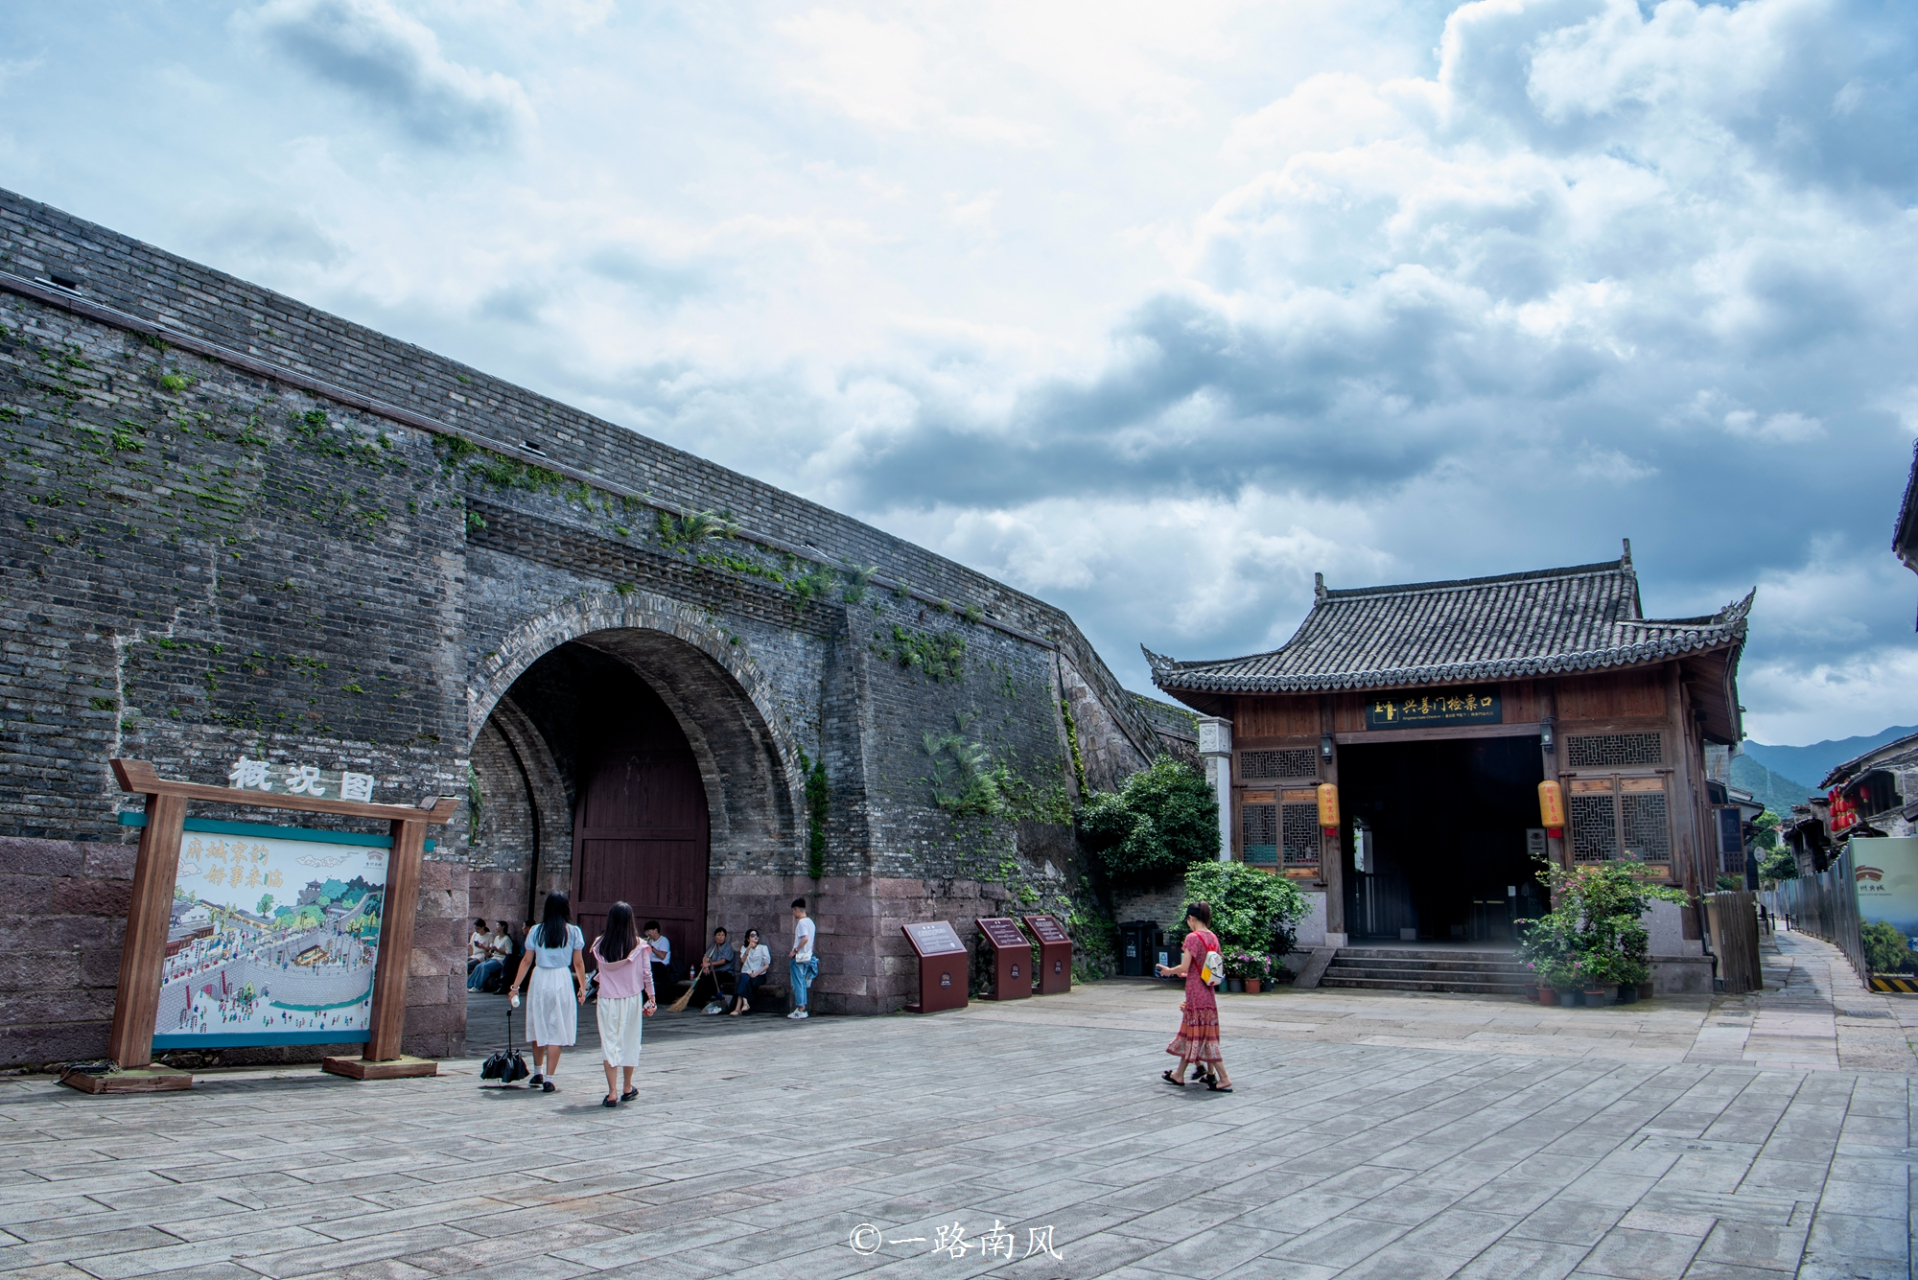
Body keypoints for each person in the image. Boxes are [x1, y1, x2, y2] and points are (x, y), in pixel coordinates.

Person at [508, 892, 587, 1093]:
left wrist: (515, 986)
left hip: (540, 977)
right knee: (557, 1026)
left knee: (538, 1022)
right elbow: (578, 963)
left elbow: (526, 960)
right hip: (561, 977)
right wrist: (583, 987)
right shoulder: (573, 931)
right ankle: (550, 1078)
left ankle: (537, 1071)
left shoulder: (536, 930)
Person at [1154, 902, 1232, 1091]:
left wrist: (1169, 971)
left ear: (1191, 918)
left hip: (1196, 993)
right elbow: (1212, 965)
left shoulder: (1192, 938)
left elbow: (1183, 965)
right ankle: (1179, 1074)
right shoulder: (1213, 937)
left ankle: (1224, 1078)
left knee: (1200, 1034)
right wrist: (1189, 973)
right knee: (1197, 1033)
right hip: (1208, 991)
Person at [590, 901, 655, 1108]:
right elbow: (647, 974)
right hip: (631, 998)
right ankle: (627, 1087)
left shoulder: (600, 944)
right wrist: (651, 998)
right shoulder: (639, 945)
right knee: (630, 1040)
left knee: (609, 1043)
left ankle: (611, 1092)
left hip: (607, 999)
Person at [691, 927, 737, 1014]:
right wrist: (705, 966)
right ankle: (703, 1001)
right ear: (715, 937)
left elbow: (723, 961)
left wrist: (709, 964)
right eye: (719, 935)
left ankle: (714, 998)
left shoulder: (727, 947)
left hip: (726, 973)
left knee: (716, 977)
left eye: (723, 935)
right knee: (703, 980)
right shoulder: (713, 947)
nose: (721, 937)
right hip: (714, 972)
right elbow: (705, 957)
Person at [788, 897, 817, 1020]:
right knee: (803, 982)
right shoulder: (811, 922)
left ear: (796, 910)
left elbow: (804, 938)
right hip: (808, 956)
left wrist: (794, 951)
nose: (793, 914)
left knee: (798, 982)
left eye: (793, 911)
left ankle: (801, 1008)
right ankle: (802, 1007)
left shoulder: (801, 923)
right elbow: (810, 941)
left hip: (799, 957)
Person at [730, 928, 770, 1015]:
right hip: (747, 974)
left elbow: (767, 965)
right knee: (744, 977)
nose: (755, 937)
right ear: (748, 939)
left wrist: (756, 974)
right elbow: (743, 961)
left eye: (756, 935)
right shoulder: (744, 948)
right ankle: (744, 1004)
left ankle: (738, 1008)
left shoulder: (763, 948)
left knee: (743, 980)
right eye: (752, 935)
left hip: (759, 975)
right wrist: (748, 948)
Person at [642, 921, 675, 999]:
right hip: (650, 963)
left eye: (648, 931)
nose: (647, 934)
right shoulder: (650, 941)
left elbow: (662, 956)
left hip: (661, 965)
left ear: (655, 930)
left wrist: (651, 947)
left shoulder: (664, 940)